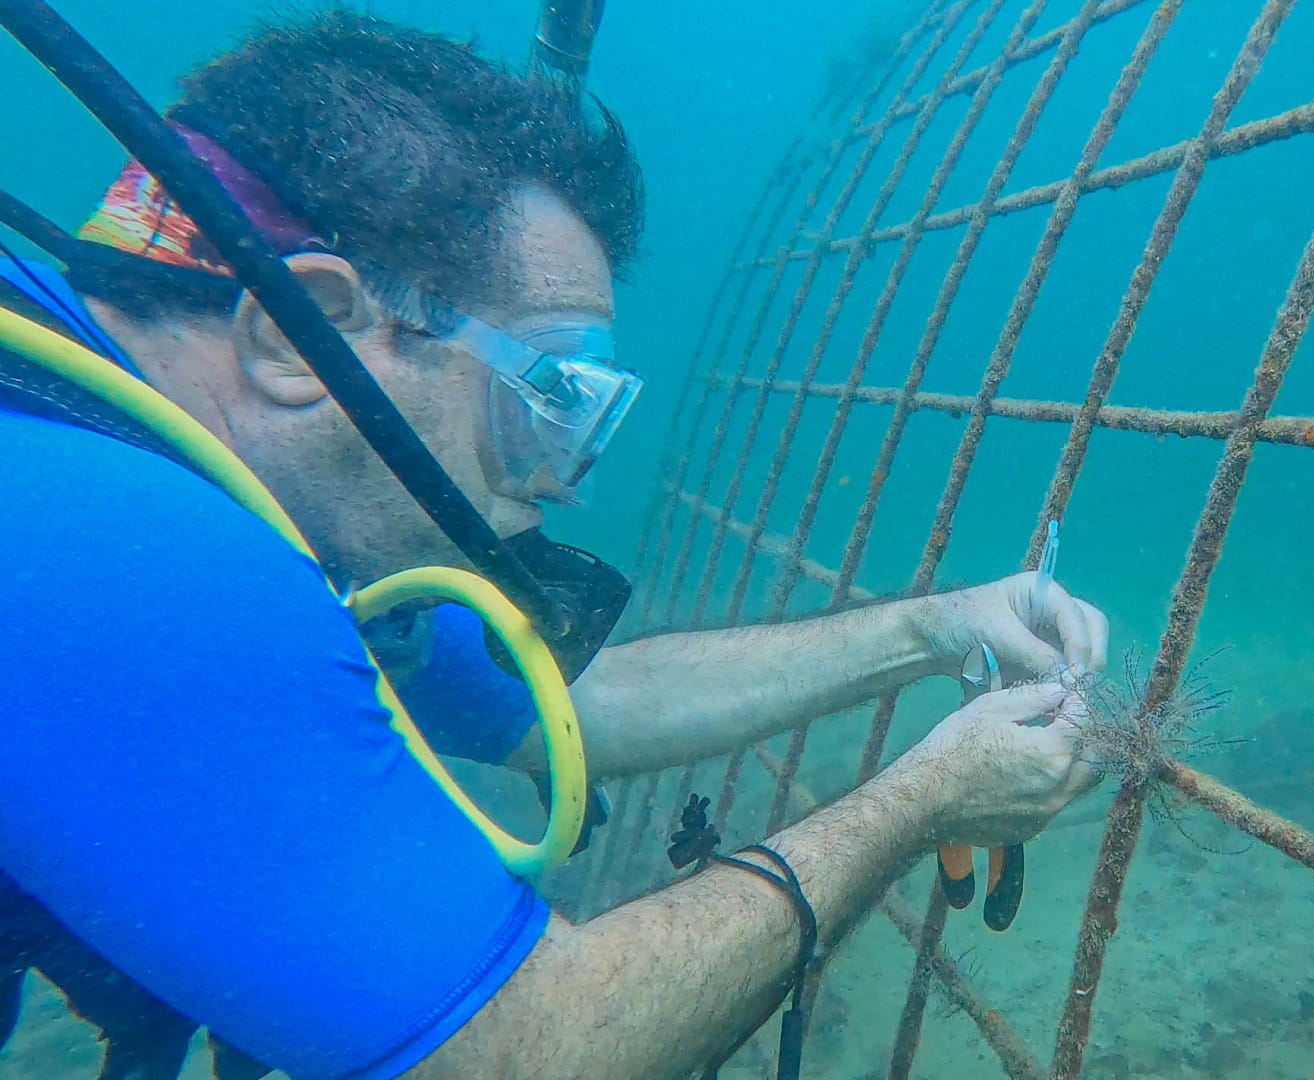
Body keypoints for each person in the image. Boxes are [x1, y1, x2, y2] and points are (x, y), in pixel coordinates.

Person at [0, 12, 1108, 1079]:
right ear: (304, 329)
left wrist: (930, 628)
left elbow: (572, 705)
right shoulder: (113, 557)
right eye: (546, 401)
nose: (560, 485)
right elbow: (524, 1051)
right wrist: (920, 802)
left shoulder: (118, 451)